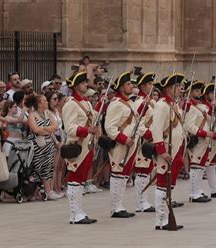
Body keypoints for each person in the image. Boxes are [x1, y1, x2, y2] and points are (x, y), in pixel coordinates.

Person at [149, 73, 186, 230]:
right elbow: (156, 129)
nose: (180, 89)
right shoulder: (162, 105)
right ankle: (161, 219)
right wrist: (161, 151)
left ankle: (165, 217)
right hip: (168, 150)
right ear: (169, 88)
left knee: (169, 185)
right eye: (177, 86)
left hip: (177, 149)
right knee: (163, 184)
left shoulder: (173, 104)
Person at [62, 71, 98, 224]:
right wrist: (87, 130)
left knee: (81, 180)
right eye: (83, 83)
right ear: (76, 86)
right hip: (77, 145)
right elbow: (69, 128)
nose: (86, 85)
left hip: (87, 146)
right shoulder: (71, 104)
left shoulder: (86, 103)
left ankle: (79, 211)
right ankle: (74, 214)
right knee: (75, 180)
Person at [104, 71, 138, 218]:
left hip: (130, 145)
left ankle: (120, 205)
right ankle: (115, 207)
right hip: (120, 145)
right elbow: (110, 127)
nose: (131, 86)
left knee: (124, 175)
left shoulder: (129, 102)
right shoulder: (116, 104)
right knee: (118, 174)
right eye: (128, 84)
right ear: (122, 87)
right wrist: (124, 139)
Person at [184, 80, 215, 203]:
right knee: (196, 167)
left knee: (200, 167)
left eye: (199, 90)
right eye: (196, 90)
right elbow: (190, 127)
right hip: (197, 140)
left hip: (204, 141)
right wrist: (205, 133)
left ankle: (198, 190)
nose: (199, 93)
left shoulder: (200, 106)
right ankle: (194, 193)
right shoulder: (190, 107)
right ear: (190, 92)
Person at [25, 94, 59, 201]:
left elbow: (56, 127)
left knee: (48, 167)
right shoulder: (32, 115)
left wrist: (43, 128)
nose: (47, 102)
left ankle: (49, 191)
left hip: (48, 145)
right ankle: (33, 192)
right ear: (39, 103)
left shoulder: (48, 113)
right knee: (36, 168)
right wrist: (48, 129)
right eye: (45, 100)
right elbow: (35, 130)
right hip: (36, 146)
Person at [131, 72, 157, 213]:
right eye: (149, 84)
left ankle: (144, 201)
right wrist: (150, 135)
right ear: (142, 85)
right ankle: (140, 203)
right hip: (143, 140)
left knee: (147, 171)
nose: (151, 86)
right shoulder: (139, 102)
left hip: (150, 139)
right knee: (142, 171)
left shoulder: (149, 101)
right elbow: (139, 123)